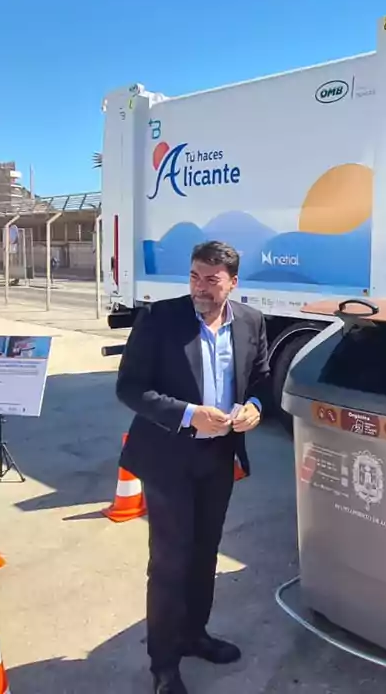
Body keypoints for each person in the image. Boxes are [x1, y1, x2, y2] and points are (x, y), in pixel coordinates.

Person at [115, 240, 269, 694]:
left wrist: (256, 406)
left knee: (205, 552)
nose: (201, 288)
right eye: (195, 276)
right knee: (170, 560)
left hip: (218, 458)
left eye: (212, 280)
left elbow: (259, 377)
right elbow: (129, 388)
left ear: (233, 283)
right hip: (168, 458)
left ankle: (193, 634)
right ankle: (164, 665)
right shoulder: (160, 319)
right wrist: (187, 414)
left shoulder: (251, 323)